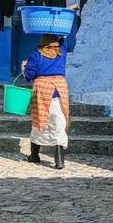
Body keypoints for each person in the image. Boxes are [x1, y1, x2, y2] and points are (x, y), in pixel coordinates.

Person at [21, 34, 69, 169]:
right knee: (58, 123)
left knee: (39, 121)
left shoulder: (36, 56)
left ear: (42, 45)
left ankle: (34, 156)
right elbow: (64, 40)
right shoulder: (61, 53)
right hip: (59, 92)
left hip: (43, 92)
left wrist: (23, 67)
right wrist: (62, 36)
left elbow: (28, 76)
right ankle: (59, 160)